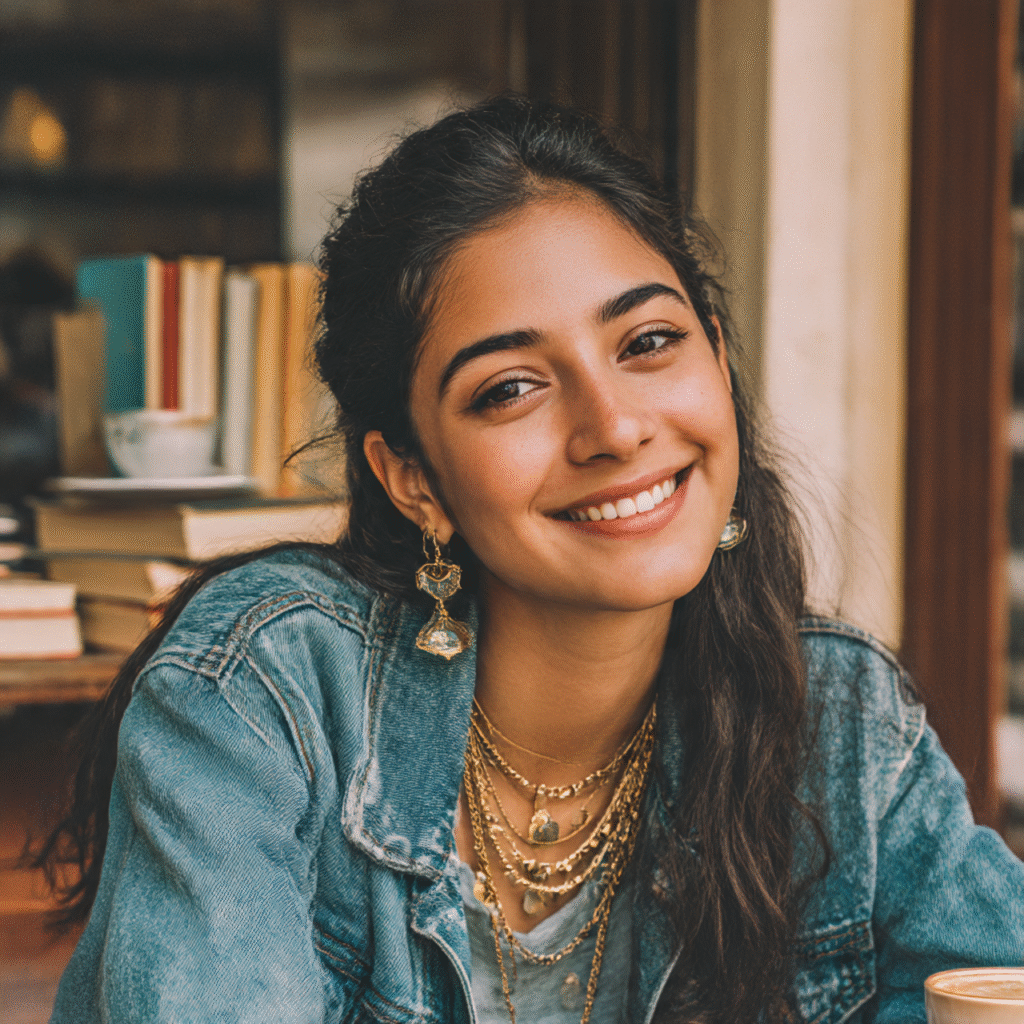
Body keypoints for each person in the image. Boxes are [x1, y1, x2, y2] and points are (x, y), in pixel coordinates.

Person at [42, 96, 1024, 1024]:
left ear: (718, 362)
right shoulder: (270, 691)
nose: (614, 427)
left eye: (646, 341)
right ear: (411, 476)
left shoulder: (836, 721)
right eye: (510, 388)